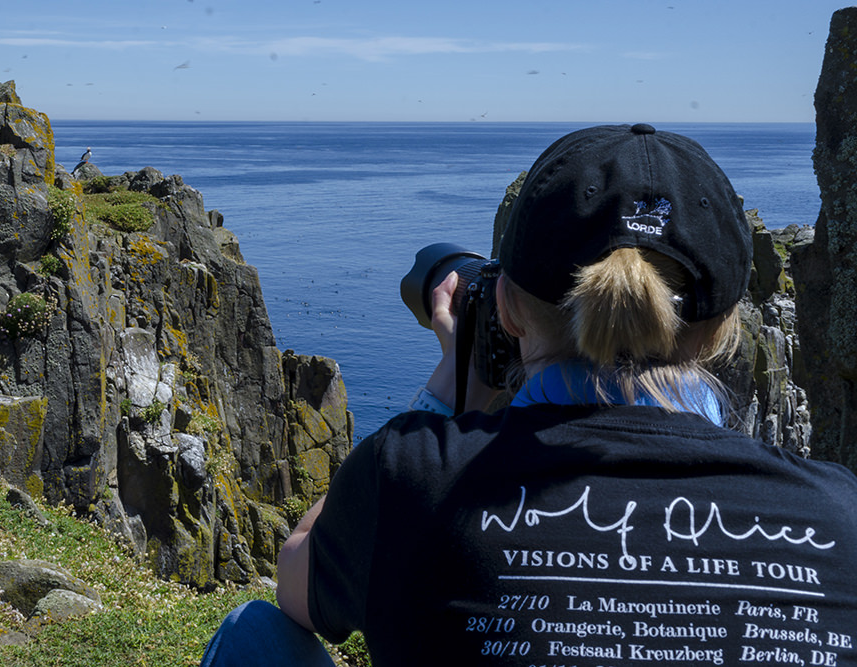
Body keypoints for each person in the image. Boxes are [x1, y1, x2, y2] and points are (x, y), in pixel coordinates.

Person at [202, 124, 857, 666]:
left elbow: (297, 585)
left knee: (253, 634)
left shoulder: (413, 478)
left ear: (509, 307)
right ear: (723, 329)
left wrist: (450, 389)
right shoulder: (842, 514)